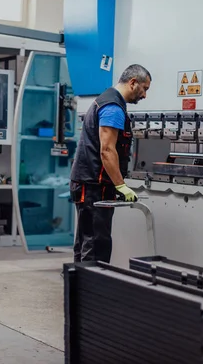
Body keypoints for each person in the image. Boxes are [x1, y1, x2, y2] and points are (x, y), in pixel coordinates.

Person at [69, 64, 152, 263]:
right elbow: (107, 150)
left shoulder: (108, 100)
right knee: (96, 244)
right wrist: (121, 185)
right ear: (133, 83)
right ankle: (92, 290)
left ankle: (80, 290)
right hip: (94, 186)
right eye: (145, 89)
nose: (145, 95)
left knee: (87, 241)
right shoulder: (113, 107)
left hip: (89, 183)